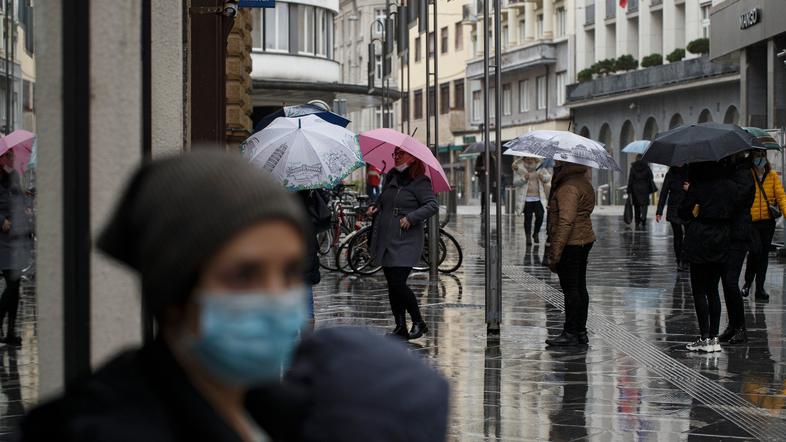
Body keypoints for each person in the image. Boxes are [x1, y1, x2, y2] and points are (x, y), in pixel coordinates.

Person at [20, 152, 314, 440]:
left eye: (290, 272)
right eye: (243, 276)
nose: (278, 297)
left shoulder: (278, 409)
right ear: (175, 290)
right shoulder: (99, 427)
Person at [368, 147, 438, 340]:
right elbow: (383, 201)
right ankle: (400, 326)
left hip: (406, 239)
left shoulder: (420, 181)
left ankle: (418, 321)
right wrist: (374, 207)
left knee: (398, 283)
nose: (396, 157)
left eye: (401, 154)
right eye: (395, 154)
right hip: (387, 237)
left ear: (413, 158)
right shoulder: (391, 177)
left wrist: (412, 217)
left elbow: (432, 205)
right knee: (392, 285)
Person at [679, 161, 736, 353]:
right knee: (713, 289)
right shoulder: (730, 185)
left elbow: (683, 212)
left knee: (699, 290)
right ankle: (714, 339)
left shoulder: (698, 185)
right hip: (722, 239)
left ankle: (704, 337)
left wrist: (691, 195)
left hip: (700, 239)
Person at [545, 161, 596, 347]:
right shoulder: (582, 181)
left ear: (564, 166)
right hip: (583, 239)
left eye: (558, 163)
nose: (554, 165)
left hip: (571, 243)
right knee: (580, 288)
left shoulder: (568, 187)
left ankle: (571, 332)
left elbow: (566, 221)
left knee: (571, 290)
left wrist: (555, 252)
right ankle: (580, 332)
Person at [719, 152, 756, 344]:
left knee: (731, 281)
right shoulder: (731, 171)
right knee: (726, 281)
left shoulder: (743, 173)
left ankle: (740, 327)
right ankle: (733, 325)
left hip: (739, 234)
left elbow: (737, 199)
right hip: (728, 233)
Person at [742, 150, 786, 301]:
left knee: (763, 256)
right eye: (756, 156)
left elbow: (781, 196)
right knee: (755, 251)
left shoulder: (772, 176)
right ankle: (748, 282)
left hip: (768, 222)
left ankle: (759, 288)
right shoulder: (748, 174)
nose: (759, 159)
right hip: (752, 221)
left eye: (762, 156)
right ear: (752, 158)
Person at [0, 150, 31, 346]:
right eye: (9, 156)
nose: (12, 159)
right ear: (1, 158)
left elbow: (20, 198)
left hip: (17, 236)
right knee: (12, 284)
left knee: (16, 286)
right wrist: (1, 220)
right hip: (2, 238)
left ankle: (11, 331)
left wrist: (26, 202)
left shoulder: (14, 176)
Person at [512, 157, 551, 244]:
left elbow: (548, 178)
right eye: (527, 159)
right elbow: (515, 182)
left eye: (531, 159)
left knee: (540, 215)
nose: (529, 161)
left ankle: (536, 233)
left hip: (537, 198)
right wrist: (523, 179)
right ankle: (528, 237)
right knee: (528, 218)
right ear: (524, 160)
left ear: (535, 160)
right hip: (526, 199)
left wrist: (542, 177)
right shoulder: (519, 169)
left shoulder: (540, 168)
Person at [656, 166, 688, 271]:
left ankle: (685, 259)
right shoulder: (670, 174)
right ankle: (680, 260)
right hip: (674, 209)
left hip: (687, 208)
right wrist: (659, 211)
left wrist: (690, 188)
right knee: (677, 235)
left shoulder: (690, 172)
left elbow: (698, 189)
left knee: (688, 236)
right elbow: (664, 192)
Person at [627, 155, 657, 229]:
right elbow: (651, 176)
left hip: (635, 189)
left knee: (636, 206)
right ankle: (643, 219)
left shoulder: (633, 167)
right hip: (645, 189)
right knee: (644, 205)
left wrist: (629, 190)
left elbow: (630, 179)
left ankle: (637, 222)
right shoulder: (646, 167)